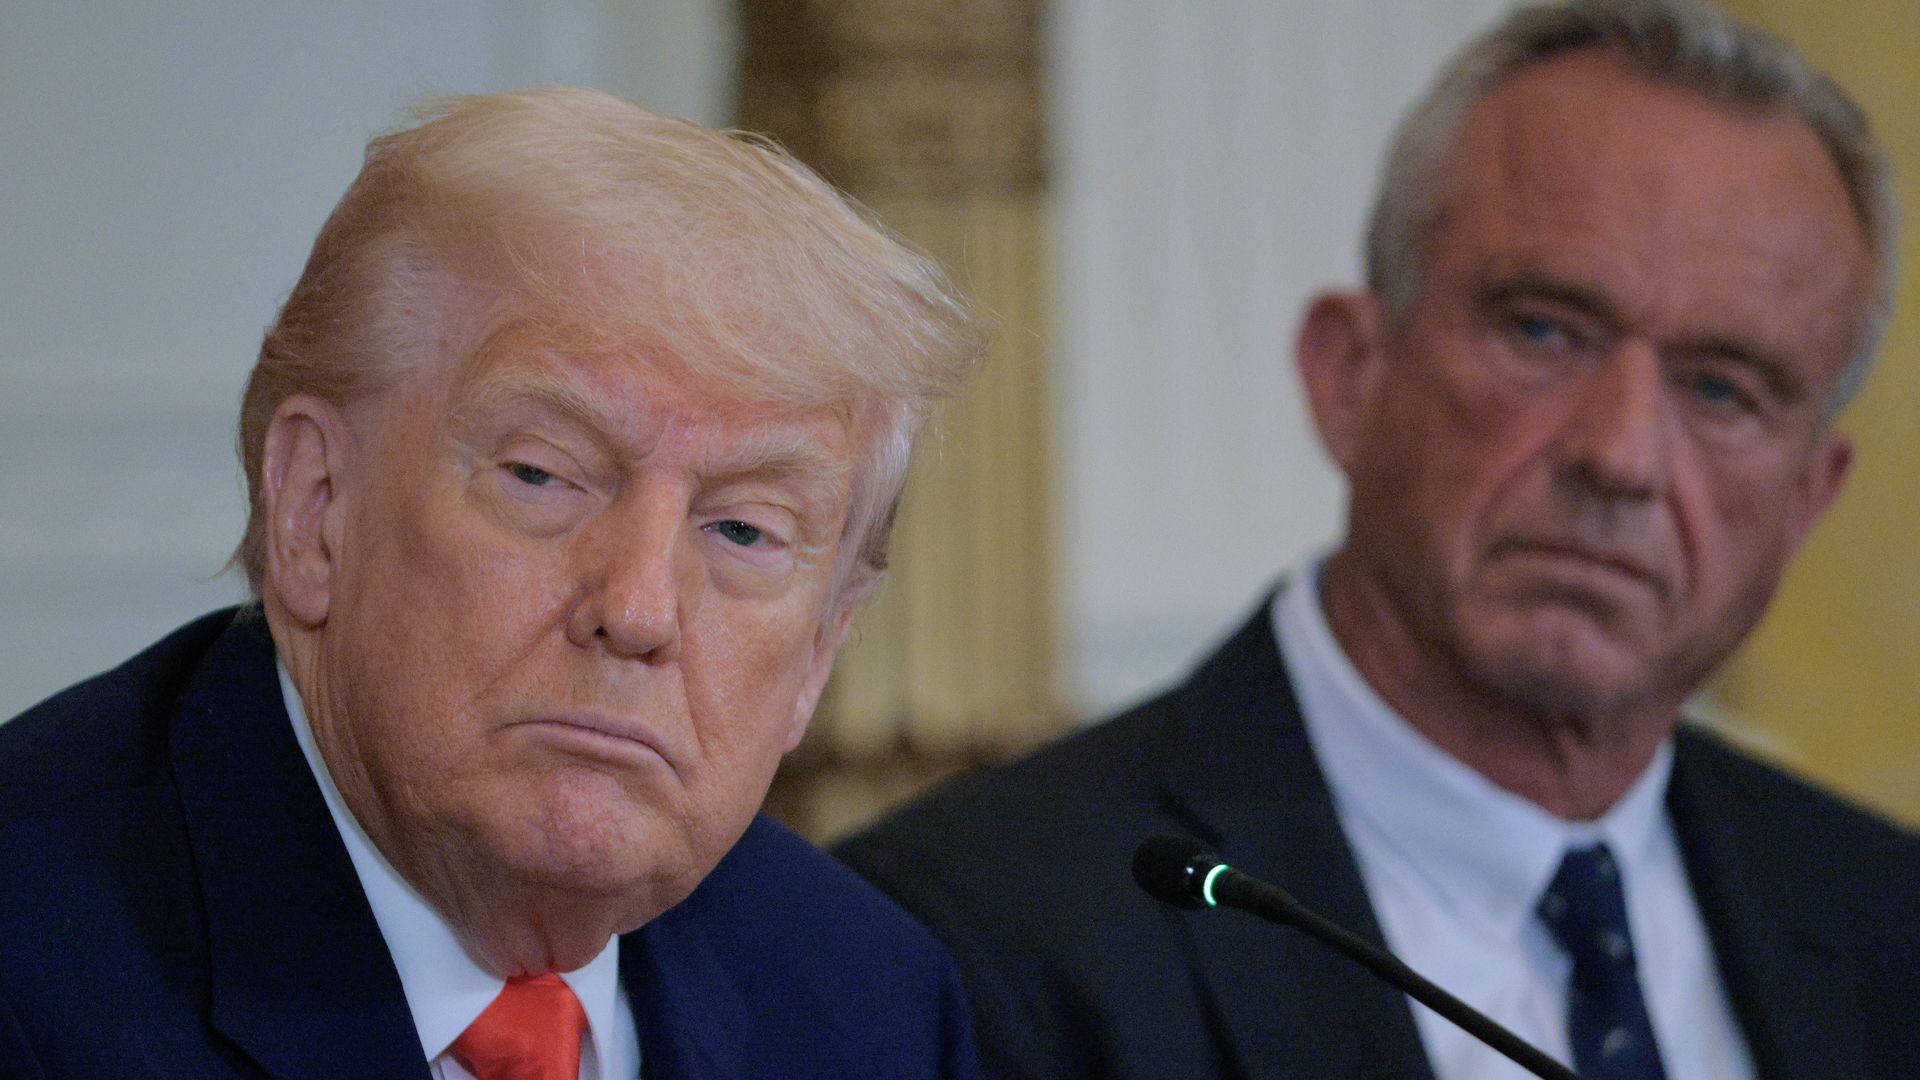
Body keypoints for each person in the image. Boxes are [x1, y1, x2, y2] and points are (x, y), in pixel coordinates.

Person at [836, 1, 1920, 1077]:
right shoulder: (965, 946)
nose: (1622, 455)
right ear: (1349, 373)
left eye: (1724, 390)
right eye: (1543, 330)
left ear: (1808, 499)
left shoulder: (1887, 922)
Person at [0, 88, 981, 1078]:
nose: (637, 609)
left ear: (823, 648)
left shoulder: (867, 1004)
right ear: (315, 509)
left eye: (742, 529)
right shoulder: (30, 970)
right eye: (542, 476)